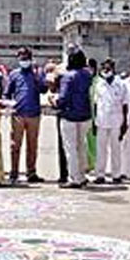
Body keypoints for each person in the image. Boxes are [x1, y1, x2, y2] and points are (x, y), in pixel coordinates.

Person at [4, 47, 47, 183]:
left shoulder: (36, 74)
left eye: (26, 58)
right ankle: (14, 172)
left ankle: (31, 172)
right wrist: (9, 105)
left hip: (34, 114)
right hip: (18, 114)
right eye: (22, 58)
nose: (24, 61)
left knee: (32, 145)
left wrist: (37, 76)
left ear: (31, 59)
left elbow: (43, 89)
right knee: (15, 145)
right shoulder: (14, 74)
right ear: (18, 59)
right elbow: (7, 92)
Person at [55, 48, 93, 188]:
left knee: (71, 148)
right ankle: (82, 175)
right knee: (81, 146)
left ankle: (74, 178)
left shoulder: (68, 76)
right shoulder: (87, 75)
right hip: (85, 115)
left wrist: (55, 101)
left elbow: (63, 97)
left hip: (70, 115)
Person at [93, 58, 127, 184]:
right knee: (100, 149)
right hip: (101, 121)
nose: (106, 71)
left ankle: (116, 174)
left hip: (116, 121)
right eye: (104, 69)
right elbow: (96, 104)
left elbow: (125, 104)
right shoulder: (99, 84)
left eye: (108, 68)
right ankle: (100, 175)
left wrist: (124, 124)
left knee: (116, 149)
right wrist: (94, 122)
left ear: (113, 69)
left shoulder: (121, 84)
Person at [86, 57, 99, 173]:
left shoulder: (98, 82)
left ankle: (93, 164)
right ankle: (86, 164)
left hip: (96, 116)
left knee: (93, 143)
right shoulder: (84, 80)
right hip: (84, 115)